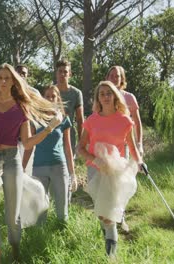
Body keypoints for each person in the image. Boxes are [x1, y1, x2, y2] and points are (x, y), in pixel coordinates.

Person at [0, 63, 62, 264]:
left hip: (12, 160)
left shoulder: (21, 108)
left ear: (14, 81)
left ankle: (15, 253)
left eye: (7, 78)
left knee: (12, 216)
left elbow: (27, 142)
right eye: (0, 78)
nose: (3, 81)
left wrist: (49, 128)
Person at [77, 81, 143, 257]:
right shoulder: (91, 120)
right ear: (98, 98)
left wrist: (140, 162)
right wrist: (95, 160)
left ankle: (111, 258)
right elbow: (80, 148)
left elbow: (133, 148)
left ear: (115, 96)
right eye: (102, 94)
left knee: (109, 216)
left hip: (114, 172)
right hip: (95, 170)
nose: (105, 97)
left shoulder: (125, 120)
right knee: (101, 213)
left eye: (109, 93)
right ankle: (108, 239)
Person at [23, 85, 76, 223]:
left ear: (58, 98)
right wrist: (22, 168)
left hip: (59, 166)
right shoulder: (35, 118)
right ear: (43, 98)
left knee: (62, 210)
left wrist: (73, 173)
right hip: (39, 167)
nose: (51, 99)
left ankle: (63, 236)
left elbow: (68, 147)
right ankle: (39, 239)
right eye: (47, 96)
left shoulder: (63, 118)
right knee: (40, 211)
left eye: (53, 96)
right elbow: (29, 145)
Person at [105, 65, 143, 232]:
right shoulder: (103, 97)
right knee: (108, 183)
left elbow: (137, 122)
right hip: (105, 147)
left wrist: (139, 143)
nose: (114, 78)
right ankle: (108, 218)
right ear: (107, 77)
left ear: (122, 79)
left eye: (118, 76)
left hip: (123, 146)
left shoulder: (129, 98)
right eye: (112, 75)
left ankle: (121, 217)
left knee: (121, 182)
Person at [55, 59, 84, 156]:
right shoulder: (50, 92)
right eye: (60, 71)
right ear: (56, 73)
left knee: (68, 167)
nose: (62, 74)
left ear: (70, 74)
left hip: (69, 137)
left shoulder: (76, 93)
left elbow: (80, 119)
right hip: (52, 135)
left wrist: (81, 142)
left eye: (65, 72)